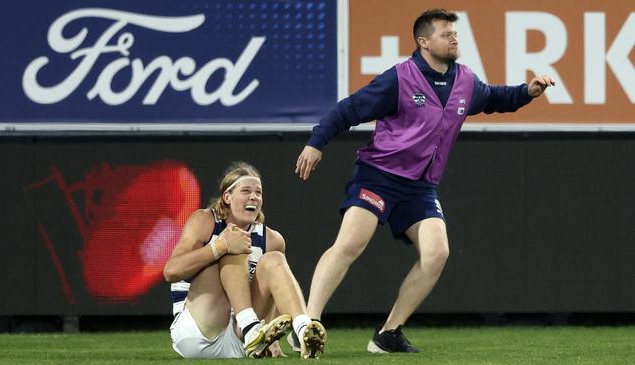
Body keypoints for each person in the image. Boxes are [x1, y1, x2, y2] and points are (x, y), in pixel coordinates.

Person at [294, 8, 554, 353]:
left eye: (455, 33)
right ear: (424, 42)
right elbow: (348, 110)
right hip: (380, 175)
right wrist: (316, 143)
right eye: (446, 34)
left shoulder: (464, 80)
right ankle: (307, 326)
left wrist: (527, 91)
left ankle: (388, 334)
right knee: (350, 245)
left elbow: (493, 98)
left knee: (436, 253)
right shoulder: (399, 79)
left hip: (420, 185)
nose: (454, 38)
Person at [164, 161, 326, 359]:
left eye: (258, 192)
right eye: (246, 191)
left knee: (274, 259)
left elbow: (275, 293)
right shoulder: (204, 220)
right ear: (227, 197)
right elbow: (171, 272)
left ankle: (303, 331)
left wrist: (273, 342)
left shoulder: (272, 239)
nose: (254, 197)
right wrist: (219, 247)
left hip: (239, 340)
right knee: (235, 243)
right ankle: (251, 329)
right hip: (197, 331)